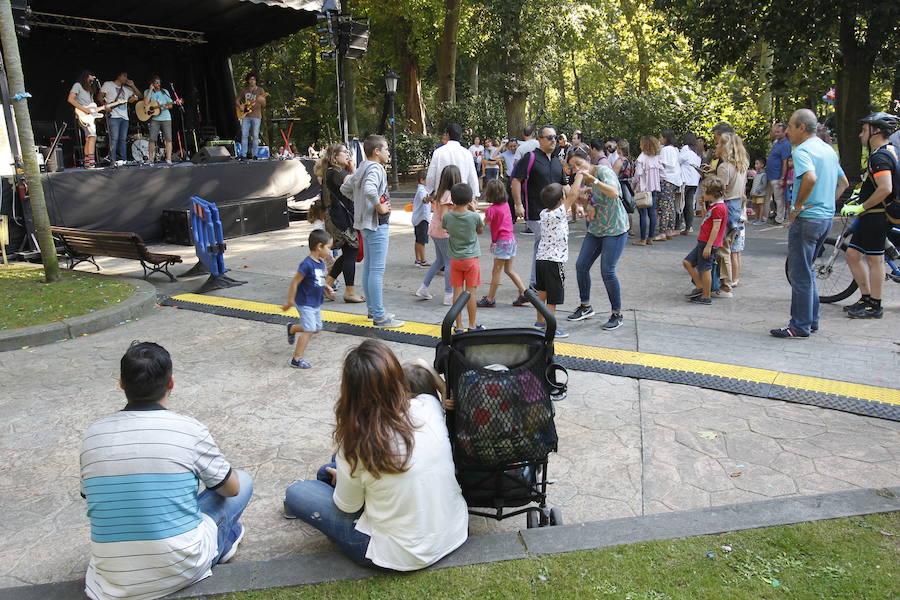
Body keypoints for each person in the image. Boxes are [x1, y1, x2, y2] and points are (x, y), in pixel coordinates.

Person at [80, 342, 252, 600]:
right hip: (180, 567)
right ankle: (223, 540)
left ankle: (222, 537)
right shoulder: (189, 429)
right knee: (242, 480)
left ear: (121, 384)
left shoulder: (93, 435)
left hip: (113, 576)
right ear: (171, 383)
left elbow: (90, 496)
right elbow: (232, 489)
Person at [283, 340, 468, 571]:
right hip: (454, 530)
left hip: (400, 553)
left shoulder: (357, 441)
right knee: (328, 468)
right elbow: (422, 367)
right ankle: (340, 478)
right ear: (397, 379)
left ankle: (337, 481)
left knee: (297, 492)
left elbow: (349, 508)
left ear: (350, 390)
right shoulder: (428, 405)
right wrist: (434, 378)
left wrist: (342, 480)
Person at [770, 109, 848, 338]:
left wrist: (797, 207)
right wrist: (826, 203)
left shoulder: (803, 150)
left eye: (790, 127)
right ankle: (810, 321)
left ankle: (799, 326)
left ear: (801, 128)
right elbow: (842, 182)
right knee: (808, 271)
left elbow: (810, 178)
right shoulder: (828, 150)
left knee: (800, 274)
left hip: (807, 219)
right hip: (824, 218)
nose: (787, 131)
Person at [340, 135, 405, 328]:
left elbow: (345, 188)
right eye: (385, 149)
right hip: (376, 225)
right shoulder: (376, 168)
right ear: (376, 151)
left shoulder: (362, 167)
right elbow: (369, 189)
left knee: (369, 269)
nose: (388, 153)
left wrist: (360, 203)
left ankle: (373, 310)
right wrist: (378, 206)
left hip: (365, 225)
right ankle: (379, 316)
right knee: (376, 270)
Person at [840, 112, 899, 319]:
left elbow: (885, 188)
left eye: (864, 130)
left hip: (876, 216)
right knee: (852, 255)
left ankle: (875, 305)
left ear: (876, 131)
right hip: (869, 216)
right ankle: (866, 298)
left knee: (875, 260)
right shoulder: (887, 152)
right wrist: (859, 193)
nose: (860, 135)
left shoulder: (880, 157)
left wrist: (860, 206)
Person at [565, 149, 628, 330]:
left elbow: (615, 193)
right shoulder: (583, 178)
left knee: (607, 271)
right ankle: (586, 306)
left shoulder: (602, 171)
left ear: (588, 160)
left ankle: (617, 314)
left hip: (615, 228)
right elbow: (593, 199)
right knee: (581, 265)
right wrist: (590, 202)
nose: (577, 168)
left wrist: (595, 182)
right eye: (572, 166)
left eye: (579, 164)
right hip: (597, 228)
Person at [511, 126, 568, 291]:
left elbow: (565, 185)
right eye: (549, 137)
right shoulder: (530, 158)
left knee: (542, 244)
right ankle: (536, 283)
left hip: (555, 213)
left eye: (555, 137)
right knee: (544, 242)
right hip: (536, 212)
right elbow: (516, 181)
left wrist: (578, 202)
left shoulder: (557, 160)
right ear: (540, 140)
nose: (553, 140)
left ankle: (537, 282)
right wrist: (518, 204)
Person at [316, 143, 364, 303]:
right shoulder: (334, 172)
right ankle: (349, 292)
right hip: (339, 219)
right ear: (334, 157)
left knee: (348, 253)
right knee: (351, 251)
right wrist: (354, 168)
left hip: (341, 218)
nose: (348, 154)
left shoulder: (335, 172)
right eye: (344, 152)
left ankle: (327, 285)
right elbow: (356, 183)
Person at [281, 230, 334, 368]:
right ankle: (297, 359)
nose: (330, 251)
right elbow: (295, 282)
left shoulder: (321, 263)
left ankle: (292, 328)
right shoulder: (307, 264)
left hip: (315, 302)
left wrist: (326, 287)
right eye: (329, 247)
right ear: (319, 246)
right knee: (309, 330)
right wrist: (290, 301)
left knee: (316, 328)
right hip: (305, 303)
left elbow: (318, 279)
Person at [533, 183, 579, 338]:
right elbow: (572, 196)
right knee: (552, 298)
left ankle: (540, 322)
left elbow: (569, 197)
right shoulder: (558, 213)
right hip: (554, 261)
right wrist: (579, 176)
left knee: (542, 293)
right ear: (561, 200)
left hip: (541, 259)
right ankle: (550, 328)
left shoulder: (544, 213)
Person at [476, 180, 527, 307]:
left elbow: (482, 227)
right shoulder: (505, 205)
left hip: (502, 242)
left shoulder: (491, 211)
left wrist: (474, 212)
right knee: (509, 269)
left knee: (496, 271)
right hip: (511, 240)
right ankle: (524, 293)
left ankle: (490, 298)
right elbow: (491, 210)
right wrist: (477, 207)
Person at [416, 165, 461, 305]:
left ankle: (423, 288)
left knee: (440, 261)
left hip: (436, 231)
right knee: (449, 262)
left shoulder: (441, 192)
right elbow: (444, 216)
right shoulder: (448, 194)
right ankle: (448, 294)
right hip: (443, 232)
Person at [443, 182, 485, 331]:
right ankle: (472, 325)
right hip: (471, 259)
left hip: (455, 260)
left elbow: (446, 229)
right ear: (469, 200)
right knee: (471, 293)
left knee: (457, 292)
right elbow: (480, 231)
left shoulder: (447, 217)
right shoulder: (474, 217)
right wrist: (473, 210)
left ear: (452, 200)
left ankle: (458, 325)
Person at [712, 132, 749, 298]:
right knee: (729, 246)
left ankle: (725, 286)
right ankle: (726, 282)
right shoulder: (741, 165)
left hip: (726, 205)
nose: (716, 146)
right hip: (736, 206)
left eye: (719, 144)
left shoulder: (724, 167)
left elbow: (719, 190)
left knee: (723, 248)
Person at [683, 176, 728, 305]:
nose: (703, 193)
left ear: (711, 193)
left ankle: (705, 295)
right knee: (688, 262)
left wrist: (709, 246)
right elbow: (706, 218)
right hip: (703, 241)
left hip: (708, 243)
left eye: (704, 191)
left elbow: (715, 229)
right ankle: (700, 286)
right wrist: (703, 206)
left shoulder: (719, 208)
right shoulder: (714, 206)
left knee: (705, 269)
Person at [426, 123, 480, 200]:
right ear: (460, 136)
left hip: (442, 196)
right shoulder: (466, 153)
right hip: (461, 197)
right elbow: (472, 176)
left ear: (447, 135)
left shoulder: (438, 152)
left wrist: (430, 191)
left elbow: (431, 175)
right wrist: (474, 195)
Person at [99, 72, 140, 165]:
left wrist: (133, 85)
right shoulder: (108, 84)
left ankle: (123, 160)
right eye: (124, 76)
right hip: (113, 116)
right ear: (119, 76)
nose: (126, 78)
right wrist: (105, 106)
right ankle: (112, 160)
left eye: (127, 76)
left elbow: (140, 96)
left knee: (122, 139)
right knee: (114, 139)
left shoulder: (127, 89)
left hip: (125, 117)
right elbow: (100, 96)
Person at [632, 135, 663, 246]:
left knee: (643, 214)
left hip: (643, 188)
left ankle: (642, 239)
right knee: (652, 213)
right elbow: (662, 173)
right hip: (654, 187)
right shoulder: (657, 157)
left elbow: (638, 174)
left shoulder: (641, 158)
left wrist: (633, 184)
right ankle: (650, 238)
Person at [67, 70, 100, 168]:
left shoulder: (89, 89)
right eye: (91, 76)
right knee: (93, 135)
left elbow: (92, 106)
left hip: (88, 116)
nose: (93, 78)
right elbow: (70, 99)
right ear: (87, 76)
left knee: (89, 137)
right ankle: (91, 160)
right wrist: (84, 109)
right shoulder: (78, 85)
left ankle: (88, 162)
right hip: (82, 114)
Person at [144, 76, 180, 165]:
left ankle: (168, 159)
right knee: (152, 139)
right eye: (156, 82)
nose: (158, 84)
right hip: (154, 118)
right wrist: (150, 90)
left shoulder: (165, 92)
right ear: (152, 83)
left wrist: (166, 106)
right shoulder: (147, 92)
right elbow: (145, 103)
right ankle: (151, 159)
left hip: (166, 118)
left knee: (168, 139)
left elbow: (171, 104)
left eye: (159, 82)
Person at [656, 130, 683, 241]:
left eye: (661, 137)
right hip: (675, 180)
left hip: (667, 179)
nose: (660, 140)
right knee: (671, 205)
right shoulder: (675, 149)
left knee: (664, 206)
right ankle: (669, 230)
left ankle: (663, 231)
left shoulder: (666, 150)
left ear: (665, 138)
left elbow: (662, 164)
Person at [765, 123, 792, 224]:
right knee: (772, 197)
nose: (775, 134)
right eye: (775, 132)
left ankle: (780, 218)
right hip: (770, 175)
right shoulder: (776, 143)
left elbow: (785, 162)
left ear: (784, 132)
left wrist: (782, 177)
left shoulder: (786, 144)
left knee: (779, 198)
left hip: (777, 175)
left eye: (778, 132)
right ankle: (775, 213)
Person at [236, 74, 267, 160]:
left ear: (256, 80)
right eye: (250, 79)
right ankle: (243, 155)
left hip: (257, 116)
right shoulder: (245, 90)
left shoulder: (260, 90)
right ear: (248, 81)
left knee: (255, 136)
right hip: (246, 116)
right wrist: (240, 106)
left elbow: (264, 105)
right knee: (244, 135)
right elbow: (237, 100)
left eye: (253, 79)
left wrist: (262, 101)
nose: (252, 81)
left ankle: (255, 155)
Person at [678, 132, 702, 233]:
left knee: (681, 203)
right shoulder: (697, 151)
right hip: (694, 181)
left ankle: (679, 224)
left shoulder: (685, 149)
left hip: (685, 179)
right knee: (689, 203)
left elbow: (679, 160)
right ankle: (689, 226)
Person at [411, 169, 432, 268]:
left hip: (419, 218)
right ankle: (423, 260)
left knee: (418, 239)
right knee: (422, 240)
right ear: (422, 180)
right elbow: (424, 200)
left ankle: (418, 259)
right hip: (422, 218)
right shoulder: (422, 190)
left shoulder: (422, 189)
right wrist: (433, 197)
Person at [749, 158, 770, 224]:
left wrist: (758, 191)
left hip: (760, 194)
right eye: (755, 164)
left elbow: (764, 185)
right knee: (756, 206)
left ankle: (760, 220)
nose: (755, 165)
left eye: (757, 164)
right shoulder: (757, 174)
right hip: (755, 193)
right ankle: (756, 218)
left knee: (760, 206)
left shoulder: (763, 174)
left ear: (762, 165)